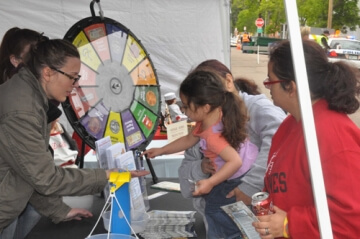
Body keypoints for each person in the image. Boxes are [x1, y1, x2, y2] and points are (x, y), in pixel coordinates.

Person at [0, 38, 149, 237]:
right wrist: (105, 175)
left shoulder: (28, 96)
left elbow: (26, 171)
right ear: (48, 73)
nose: (74, 84)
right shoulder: (22, 111)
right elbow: (45, 178)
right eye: (72, 77)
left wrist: (59, 210)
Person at [252, 40, 360, 238]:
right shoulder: (291, 124)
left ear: (291, 87)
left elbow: (351, 219)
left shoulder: (333, 134)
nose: (268, 88)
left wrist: (288, 224)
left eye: (270, 81)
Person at [177, 59, 286, 238]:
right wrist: (201, 168)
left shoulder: (257, 108)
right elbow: (184, 183)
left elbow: (280, 142)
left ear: (228, 82)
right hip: (216, 221)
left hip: (254, 219)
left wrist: (249, 186)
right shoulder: (203, 124)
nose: (210, 102)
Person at [144, 69, 259, 239]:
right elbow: (188, 139)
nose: (182, 110)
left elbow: (234, 162)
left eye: (186, 105)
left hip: (235, 177)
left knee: (214, 211)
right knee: (222, 213)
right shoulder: (210, 117)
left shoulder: (213, 137)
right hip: (235, 173)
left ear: (205, 107)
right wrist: (161, 150)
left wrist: (211, 182)